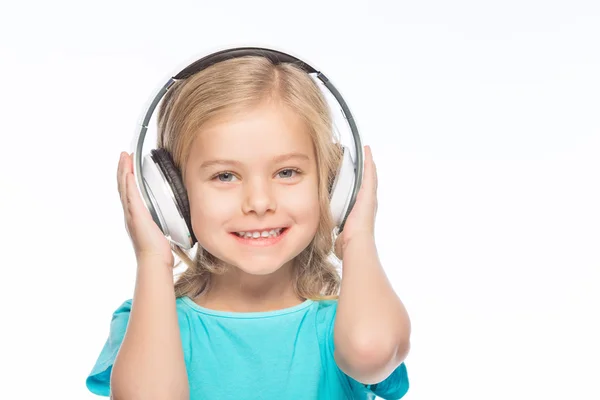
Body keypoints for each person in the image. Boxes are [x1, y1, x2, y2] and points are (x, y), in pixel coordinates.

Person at [85, 51, 411, 399]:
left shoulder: (346, 319)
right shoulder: (149, 317)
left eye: (287, 172)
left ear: (334, 186)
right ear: (170, 196)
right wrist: (152, 258)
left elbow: (370, 351)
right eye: (225, 176)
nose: (259, 203)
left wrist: (357, 235)